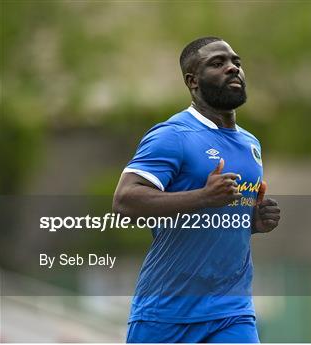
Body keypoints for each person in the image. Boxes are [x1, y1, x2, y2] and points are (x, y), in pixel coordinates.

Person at [113, 36, 280, 343]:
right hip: (167, 311)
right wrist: (203, 196)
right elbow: (125, 201)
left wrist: (253, 222)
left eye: (236, 62)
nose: (232, 68)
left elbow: (219, 215)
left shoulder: (250, 144)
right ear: (193, 81)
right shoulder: (173, 135)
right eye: (218, 63)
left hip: (232, 309)